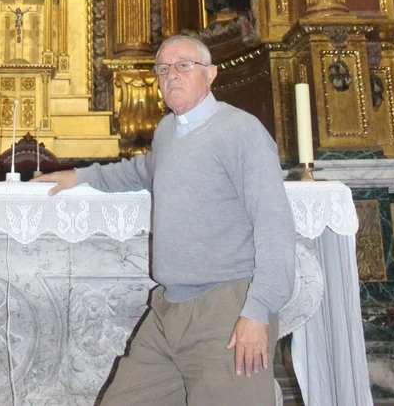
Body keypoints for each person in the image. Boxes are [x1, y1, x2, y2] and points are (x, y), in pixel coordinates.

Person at [33, 35, 295, 405]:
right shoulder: (169, 130)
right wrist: (80, 176)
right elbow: (143, 171)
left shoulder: (241, 130)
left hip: (226, 309)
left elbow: (275, 223)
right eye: (163, 68)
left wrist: (257, 310)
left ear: (211, 74)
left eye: (184, 65)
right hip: (168, 309)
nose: (171, 74)